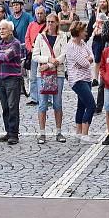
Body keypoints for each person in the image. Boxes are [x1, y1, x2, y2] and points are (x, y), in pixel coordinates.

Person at [32, 13, 68, 143]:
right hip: (43, 75)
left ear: (57, 23)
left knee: (57, 103)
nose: (49, 24)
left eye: (52, 22)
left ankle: (58, 132)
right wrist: (47, 59)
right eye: (48, 22)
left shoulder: (62, 36)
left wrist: (49, 64)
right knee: (42, 104)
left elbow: (63, 55)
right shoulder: (40, 37)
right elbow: (35, 56)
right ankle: (42, 133)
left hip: (57, 73)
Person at [64, 21, 97, 143]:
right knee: (91, 105)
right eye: (84, 31)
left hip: (86, 78)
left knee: (81, 105)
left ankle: (78, 132)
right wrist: (87, 60)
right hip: (77, 79)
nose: (86, 33)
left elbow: (92, 55)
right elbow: (85, 63)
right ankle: (85, 133)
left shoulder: (82, 43)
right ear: (78, 33)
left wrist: (88, 59)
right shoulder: (71, 47)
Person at [0, 20, 23, 144]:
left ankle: (14, 134)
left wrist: (0, 55)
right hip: (1, 78)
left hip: (13, 79)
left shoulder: (15, 43)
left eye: (4, 29)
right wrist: (2, 55)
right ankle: (8, 132)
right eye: (0, 29)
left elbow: (6, 57)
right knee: (5, 107)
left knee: (12, 107)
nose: (2, 31)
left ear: (10, 30)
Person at [24, 6, 48, 106]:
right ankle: (34, 98)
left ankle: (48, 98)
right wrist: (31, 49)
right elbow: (27, 39)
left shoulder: (48, 25)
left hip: (44, 55)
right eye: (37, 13)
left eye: (41, 13)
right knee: (33, 77)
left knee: (46, 77)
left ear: (44, 14)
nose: (39, 15)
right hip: (34, 54)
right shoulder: (31, 25)